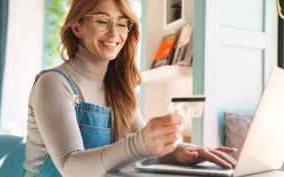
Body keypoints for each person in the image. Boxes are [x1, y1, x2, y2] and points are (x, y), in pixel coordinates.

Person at [23, 0, 237, 177]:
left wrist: (183, 151)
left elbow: (144, 146)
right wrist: (141, 143)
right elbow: (70, 167)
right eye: (102, 21)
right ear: (77, 27)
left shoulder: (119, 87)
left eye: (123, 23)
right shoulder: (53, 83)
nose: (114, 33)